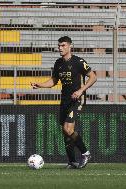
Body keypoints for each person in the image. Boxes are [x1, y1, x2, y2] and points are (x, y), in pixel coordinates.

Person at [31, 36, 97, 169]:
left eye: (63, 45)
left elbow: (93, 77)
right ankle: (72, 161)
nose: (60, 48)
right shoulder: (58, 63)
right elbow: (54, 81)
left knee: (68, 129)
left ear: (70, 46)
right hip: (65, 100)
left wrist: (80, 90)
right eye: (59, 46)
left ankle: (85, 153)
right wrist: (40, 85)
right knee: (65, 131)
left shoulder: (78, 62)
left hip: (77, 99)